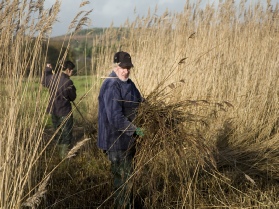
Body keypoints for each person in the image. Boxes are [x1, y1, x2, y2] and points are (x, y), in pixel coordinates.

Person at [97, 51, 144, 208]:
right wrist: (135, 130)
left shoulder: (129, 84)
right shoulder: (111, 85)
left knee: (127, 178)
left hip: (128, 141)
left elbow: (141, 101)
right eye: (123, 67)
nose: (126, 70)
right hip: (115, 141)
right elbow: (115, 118)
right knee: (123, 181)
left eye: (128, 67)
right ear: (115, 66)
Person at [42, 61, 77, 159]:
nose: (72, 73)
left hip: (53, 111)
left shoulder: (52, 78)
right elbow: (73, 97)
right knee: (66, 134)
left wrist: (47, 71)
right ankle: (64, 157)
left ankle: (58, 155)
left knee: (57, 132)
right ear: (68, 70)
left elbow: (44, 82)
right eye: (71, 71)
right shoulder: (68, 82)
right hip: (64, 112)